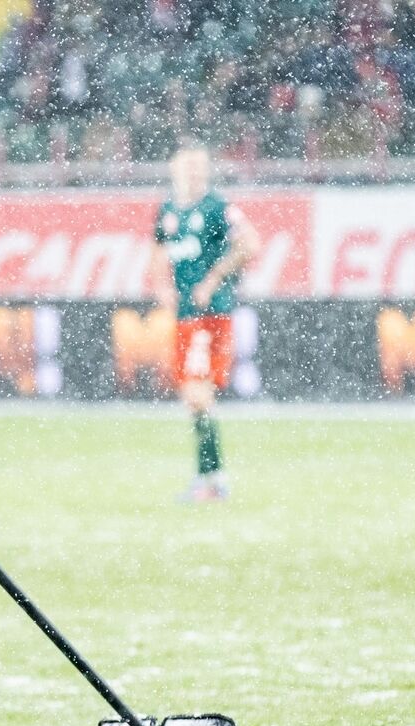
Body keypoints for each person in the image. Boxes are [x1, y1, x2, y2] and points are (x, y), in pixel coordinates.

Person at [150, 140, 261, 502]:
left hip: (209, 314)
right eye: (187, 167)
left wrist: (213, 279)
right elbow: (158, 250)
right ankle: (212, 478)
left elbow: (250, 243)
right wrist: (162, 286)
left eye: (199, 167)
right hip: (185, 316)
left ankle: (210, 480)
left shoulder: (217, 207)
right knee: (193, 397)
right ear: (174, 170)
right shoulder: (167, 210)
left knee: (199, 395)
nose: (194, 174)